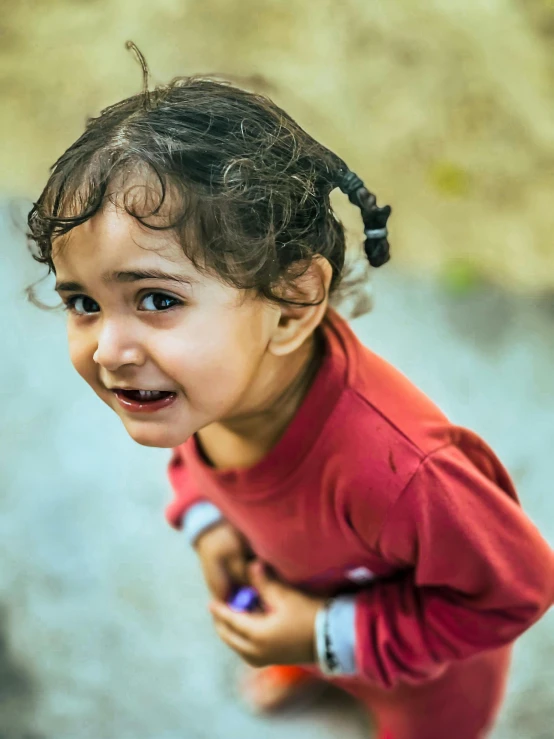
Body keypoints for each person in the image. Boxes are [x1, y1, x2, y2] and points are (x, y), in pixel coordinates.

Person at [27, 51, 554, 739]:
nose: (108, 350)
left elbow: (516, 591)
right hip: (300, 587)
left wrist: (326, 632)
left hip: (427, 678)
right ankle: (301, 656)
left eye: (155, 298)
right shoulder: (205, 387)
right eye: (84, 301)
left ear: (293, 303)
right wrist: (207, 522)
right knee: (297, 635)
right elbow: (201, 466)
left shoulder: (403, 472)